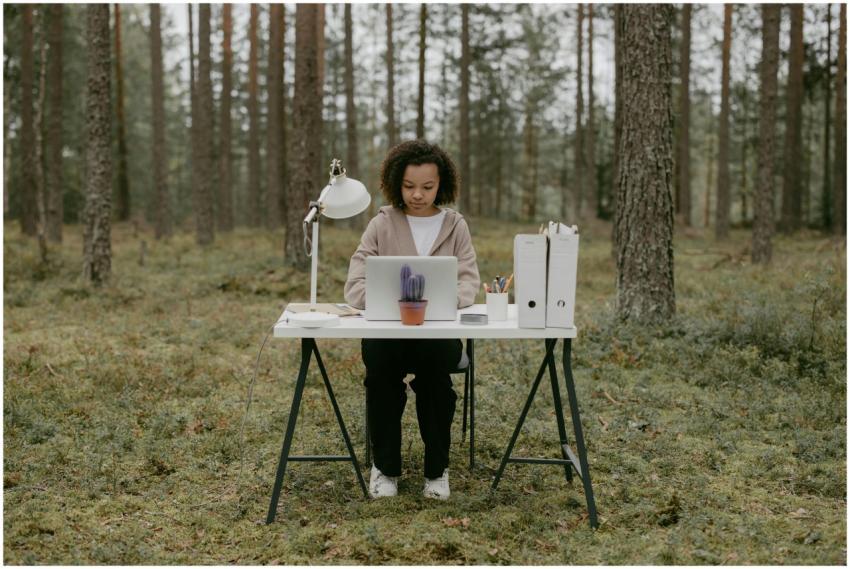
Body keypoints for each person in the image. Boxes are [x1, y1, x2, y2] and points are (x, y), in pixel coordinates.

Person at [344, 139, 480, 500]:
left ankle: (437, 472)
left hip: (436, 336)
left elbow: (469, 282)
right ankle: (385, 469)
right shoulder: (381, 224)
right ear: (394, 182)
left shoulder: (455, 225)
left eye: (427, 187)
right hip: (388, 334)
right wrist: (390, 299)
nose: (417, 195)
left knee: (437, 384)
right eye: (408, 186)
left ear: (442, 185)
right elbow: (354, 285)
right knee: (381, 380)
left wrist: (444, 299)